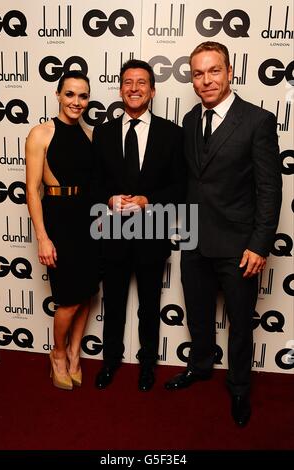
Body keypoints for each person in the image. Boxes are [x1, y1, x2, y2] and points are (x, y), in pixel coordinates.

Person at [164, 42, 282, 426]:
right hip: (195, 240)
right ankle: (199, 368)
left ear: (230, 72)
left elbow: (269, 190)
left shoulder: (257, 121)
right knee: (198, 316)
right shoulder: (189, 120)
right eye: (198, 73)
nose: (205, 80)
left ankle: (239, 388)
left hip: (239, 247)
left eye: (213, 71)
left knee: (239, 324)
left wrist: (259, 244)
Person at [92, 59, 185, 391]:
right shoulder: (102, 133)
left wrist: (147, 200)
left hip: (152, 233)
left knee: (149, 306)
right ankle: (110, 362)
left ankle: (148, 365)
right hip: (113, 233)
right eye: (128, 82)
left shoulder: (172, 134)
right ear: (120, 90)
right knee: (113, 304)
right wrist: (108, 199)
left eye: (141, 82)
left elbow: (180, 187)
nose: (134, 88)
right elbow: (93, 183)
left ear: (153, 90)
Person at [26, 70, 100, 390]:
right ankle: (57, 354)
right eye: (70, 94)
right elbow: (32, 191)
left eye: (83, 96)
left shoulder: (91, 135)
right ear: (58, 95)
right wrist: (43, 237)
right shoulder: (41, 133)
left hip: (88, 221)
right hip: (58, 219)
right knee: (68, 299)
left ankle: (74, 353)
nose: (76, 102)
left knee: (86, 295)